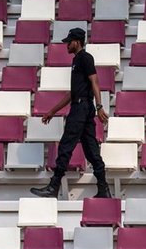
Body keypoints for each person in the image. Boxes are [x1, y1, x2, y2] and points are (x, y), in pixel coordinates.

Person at [31, 27, 112, 200]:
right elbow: (72, 92)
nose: (67, 45)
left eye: (69, 42)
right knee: (92, 151)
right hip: (82, 107)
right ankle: (104, 190)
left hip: (82, 109)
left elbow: (95, 81)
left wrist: (99, 106)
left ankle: (53, 186)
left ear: (77, 42)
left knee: (66, 146)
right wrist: (53, 111)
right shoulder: (77, 60)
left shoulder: (85, 58)